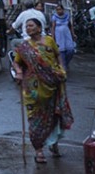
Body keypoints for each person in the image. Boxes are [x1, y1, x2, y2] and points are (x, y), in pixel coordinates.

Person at [11, 18, 74, 164]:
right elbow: (16, 62)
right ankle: (38, 151)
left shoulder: (49, 41)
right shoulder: (24, 46)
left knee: (54, 116)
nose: (28, 28)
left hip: (53, 84)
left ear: (39, 28)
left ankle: (54, 145)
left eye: (31, 25)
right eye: (26, 26)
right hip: (33, 89)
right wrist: (19, 72)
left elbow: (58, 57)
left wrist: (61, 69)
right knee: (36, 120)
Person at [49, 3, 76, 70]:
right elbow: (53, 27)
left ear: (63, 9)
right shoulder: (54, 17)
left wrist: (73, 34)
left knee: (70, 50)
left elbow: (70, 26)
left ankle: (66, 62)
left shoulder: (67, 16)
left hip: (67, 34)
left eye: (60, 9)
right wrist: (53, 37)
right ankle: (63, 65)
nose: (59, 11)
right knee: (61, 51)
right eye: (57, 10)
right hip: (59, 35)